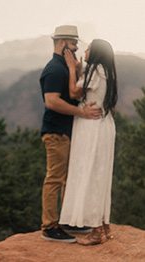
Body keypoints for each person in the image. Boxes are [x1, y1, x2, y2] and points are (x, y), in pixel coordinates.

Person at [39, 25, 103, 243]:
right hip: (56, 131)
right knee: (55, 178)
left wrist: (76, 69)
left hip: (65, 131)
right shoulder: (55, 69)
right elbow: (52, 101)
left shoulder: (65, 66)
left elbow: (74, 92)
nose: (76, 46)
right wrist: (82, 113)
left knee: (66, 178)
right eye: (73, 42)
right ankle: (49, 226)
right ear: (61, 42)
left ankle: (66, 220)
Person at [59, 39, 118, 245]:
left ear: (96, 53)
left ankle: (95, 231)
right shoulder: (107, 71)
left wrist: (71, 69)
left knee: (91, 174)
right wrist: (79, 67)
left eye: (88, 48)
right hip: (104, 124)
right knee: (100, 175)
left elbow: (75, 92)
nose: (84, 51)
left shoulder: (95, 69)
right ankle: (104, 225)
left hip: (91, 127)